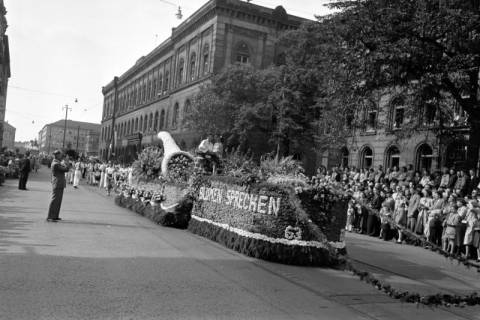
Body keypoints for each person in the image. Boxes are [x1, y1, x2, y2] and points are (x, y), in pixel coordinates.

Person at [46, 150, 70, 222]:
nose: (61, 156)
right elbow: (66, 169)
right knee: (55, 200)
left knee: (58, 201)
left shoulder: (57, 162)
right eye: (60, 155)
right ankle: (50, 216)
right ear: (57, 155)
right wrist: (67, 161)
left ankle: (55, 215)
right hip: (57, 183)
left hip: (59, 183)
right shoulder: (56, 164)